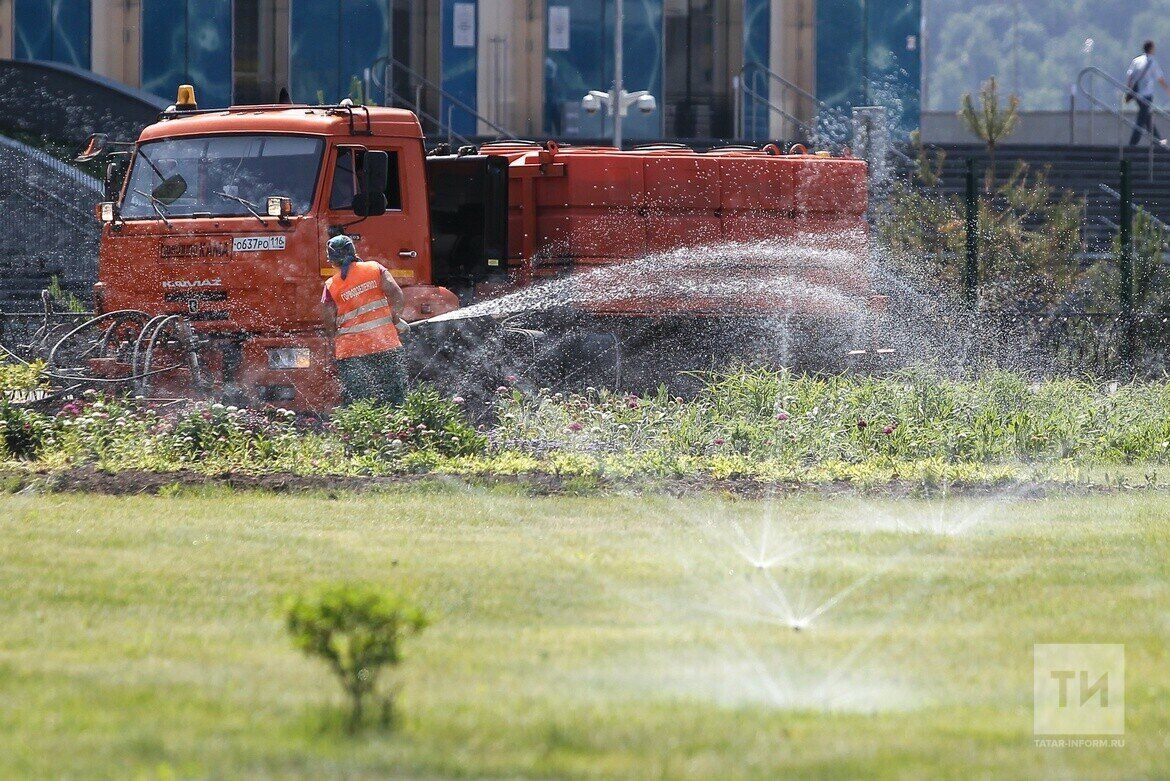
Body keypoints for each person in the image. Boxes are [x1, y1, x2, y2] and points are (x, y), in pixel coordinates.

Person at [320, 234, 410, 405]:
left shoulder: (331, 285)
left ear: (332, 260)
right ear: (353, 251)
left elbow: (328, 320)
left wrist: (334, 340)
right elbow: (396, 294)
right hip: (385, 345)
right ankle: (395, 432)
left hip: (351, 352)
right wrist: (396, 319)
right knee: (395, 400)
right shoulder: (374, 269)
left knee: (359, 404)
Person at [1126, 40, 1170, 147]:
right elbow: (1160, 79)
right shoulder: (1152, 62)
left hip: (1137, 94)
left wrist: (1129, 90)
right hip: (1147, 94)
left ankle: (1158, 141)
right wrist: (1168, 90)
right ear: (1150, 48)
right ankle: (1132, 145)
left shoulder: (1136, 60)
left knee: (1147, 118)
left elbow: (1129, 76)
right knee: (1141, 120)